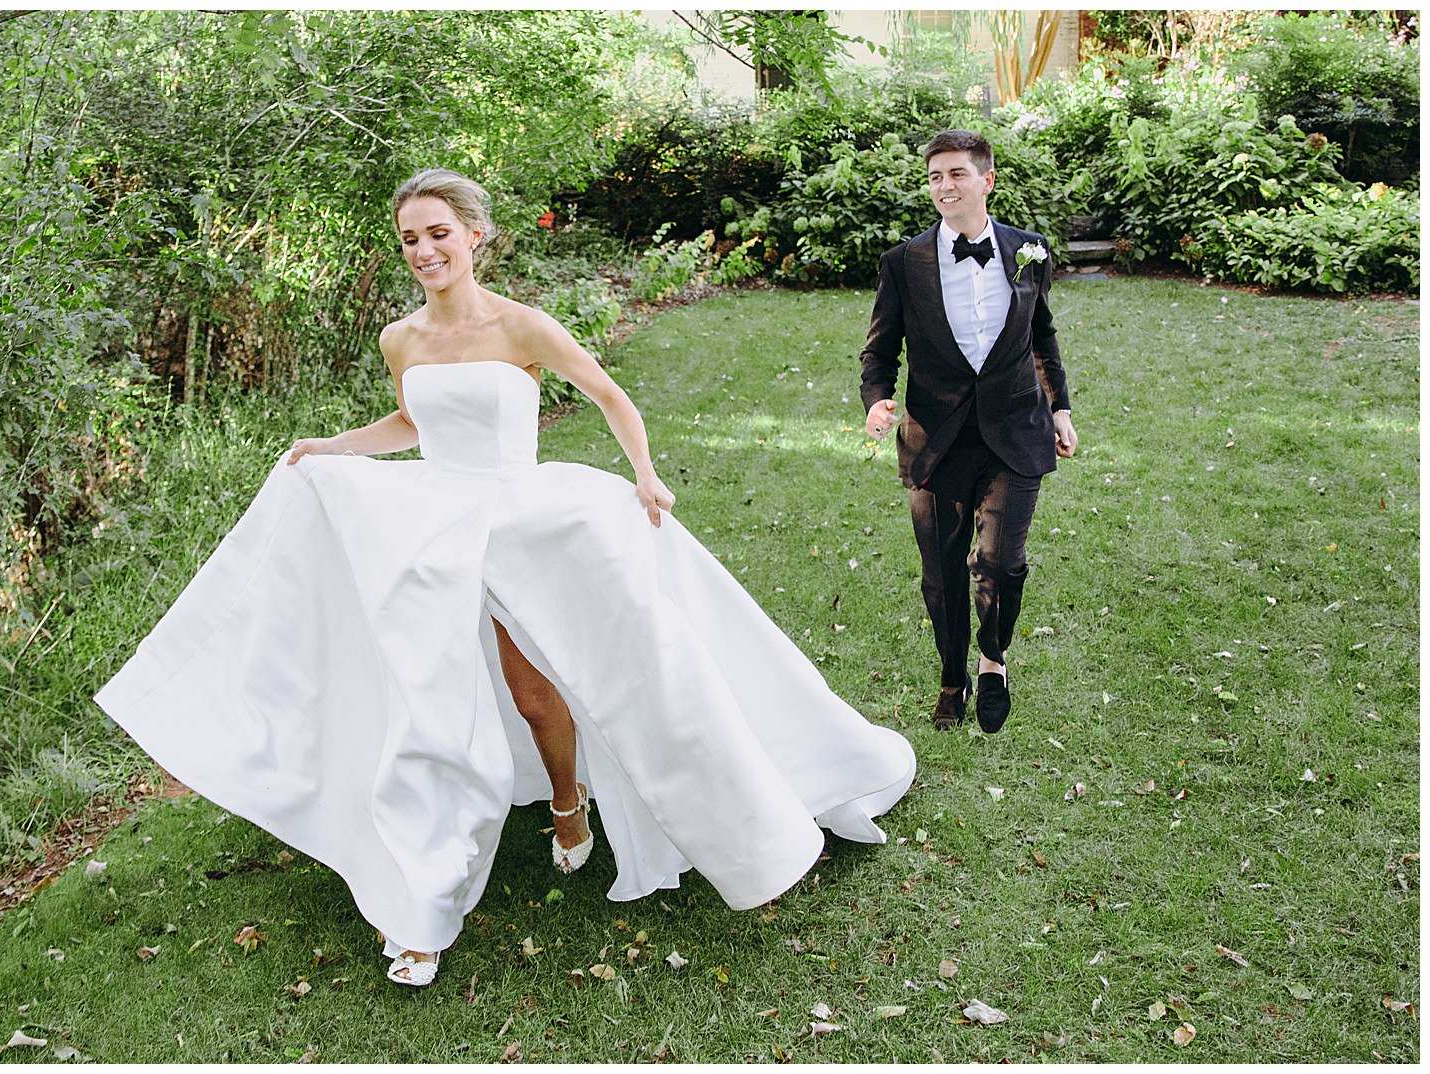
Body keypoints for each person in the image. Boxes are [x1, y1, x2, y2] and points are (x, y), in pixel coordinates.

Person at [97, 168, 917, 989]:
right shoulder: (401, 338)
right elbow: (412, 424)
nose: (424, 251)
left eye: (438, 234)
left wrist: (645, 473)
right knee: (428, 703)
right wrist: (333, 447)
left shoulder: (522, 326)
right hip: (436, 526)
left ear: (474, 236)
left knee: (537, 693)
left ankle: (571, 801)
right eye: (411, 238)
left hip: (527, 520)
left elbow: (607, 394)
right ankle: (422, 903)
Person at [859, 129, 1077, 734]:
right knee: (942, 572)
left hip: (1014, 429)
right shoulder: (904, 264)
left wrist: (1059, 407)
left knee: (1002, 564)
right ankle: (952, 676)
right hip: (937, 439)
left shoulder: (1030, 250)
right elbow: (878, 354)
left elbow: (1042, 336)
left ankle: (992, 659)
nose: (944, 186)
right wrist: (878, 401)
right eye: (935, 176)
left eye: (956, 174)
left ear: (987, 180)